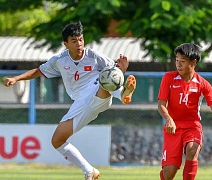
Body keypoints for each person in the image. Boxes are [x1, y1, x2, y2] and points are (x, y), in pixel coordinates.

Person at [4, 22, 136, 180]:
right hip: (81, 103)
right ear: (65, 44)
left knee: (107, 78)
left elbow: (114, 71)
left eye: (81, 39)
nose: (79, 43)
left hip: (97, 92)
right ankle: (90, 171)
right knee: (57, 140)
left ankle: (122, 94)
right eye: (74, 41)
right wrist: (16, 78)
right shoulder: (60, 60)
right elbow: (38, 71)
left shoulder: (94, 56)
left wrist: (121, 70)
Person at [158, 43, 212, 180]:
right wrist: (169, 119)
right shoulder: (168, 78)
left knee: (192, 149)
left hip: (192, 126)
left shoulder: (203, 84)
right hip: (172, 128)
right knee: (169, 173)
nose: (178, 65)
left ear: (194, 62)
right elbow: (161, 104)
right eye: (177, 60)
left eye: (182, 61)